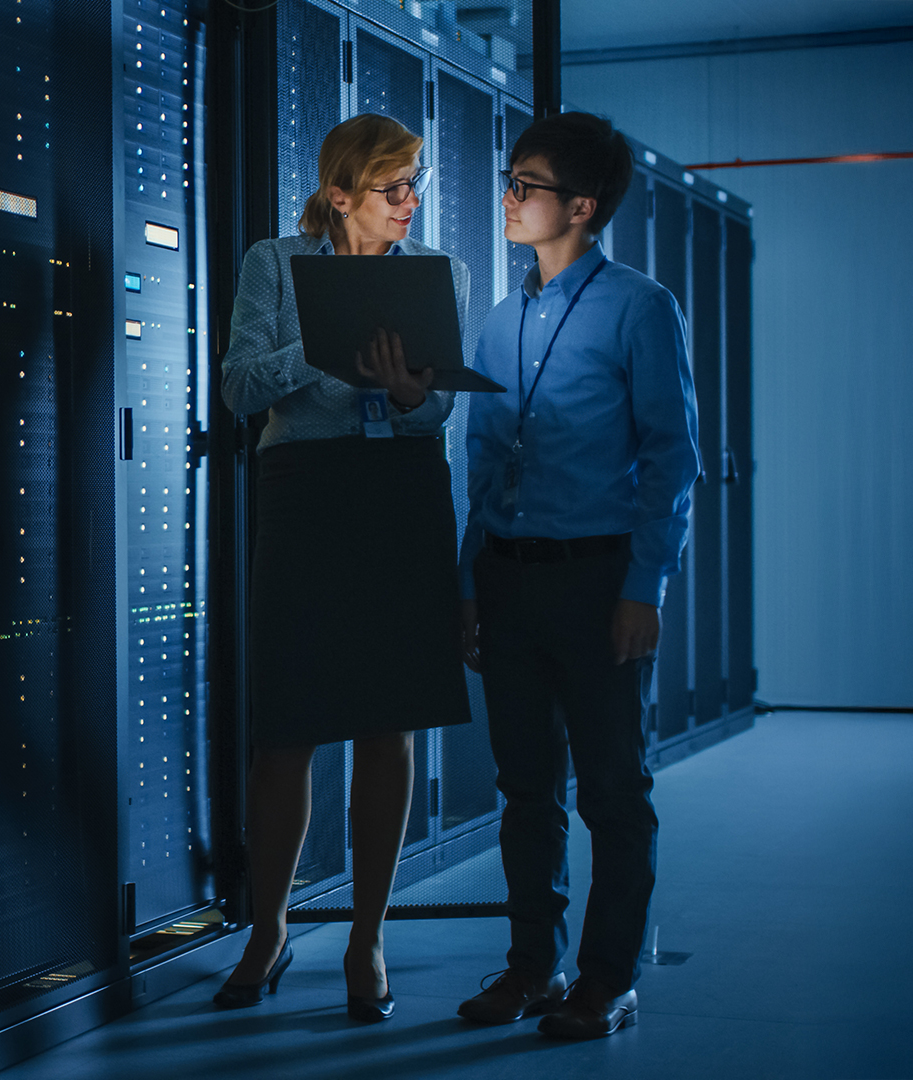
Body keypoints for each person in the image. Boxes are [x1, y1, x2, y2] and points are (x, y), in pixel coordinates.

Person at [215, 114, 471, 1022]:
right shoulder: (274, 263)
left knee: (387, 721)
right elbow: (241, 387)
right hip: (305, 491)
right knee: (287, 725)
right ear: (340, 193)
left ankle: (368, 936)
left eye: (417, 186)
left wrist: (408, 395)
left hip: (398, 493)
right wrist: (323, 346)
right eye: (395, 187)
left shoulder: (442, 274)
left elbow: (438, 413)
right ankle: (270, 926)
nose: (412, 202)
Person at [456, 112, 700, 1039]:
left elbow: (672, 459)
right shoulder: (501, 320)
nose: (510, 198)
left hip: (600, 583)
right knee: (524, 789)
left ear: (583, 206)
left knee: (610, 791)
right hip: (509, 583)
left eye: (527, 184)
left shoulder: (641, 307)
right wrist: (468, 582)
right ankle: (531, 967)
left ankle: (608, 978)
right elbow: (480, 465)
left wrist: (646, 588)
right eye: (510, 180)